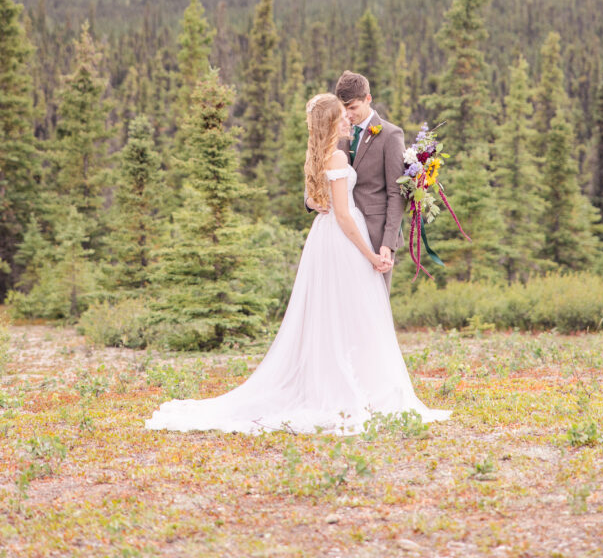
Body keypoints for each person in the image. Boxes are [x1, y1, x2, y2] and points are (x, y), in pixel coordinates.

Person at [144, 93, 451, 435]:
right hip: (343, 240)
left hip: (331, 237)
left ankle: (355, 381)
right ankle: (348, 389)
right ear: (333, 122)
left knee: (345, 314)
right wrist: (370, 254)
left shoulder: (324, 154)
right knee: (349, 313)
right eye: (342, 116)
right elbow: (345, 216)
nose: (348, 119)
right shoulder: (335, 157)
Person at [334, 70, 405, 292]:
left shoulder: (390, 135)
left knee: (374, 306)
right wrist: (310, 201)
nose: (348, 114)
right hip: (341, 232)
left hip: (376, 236)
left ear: (368, 98)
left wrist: (388, 243)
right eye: (343, 109)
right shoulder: (337, 133)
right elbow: (320, 171)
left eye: (353, 107)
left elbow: (397, 193)